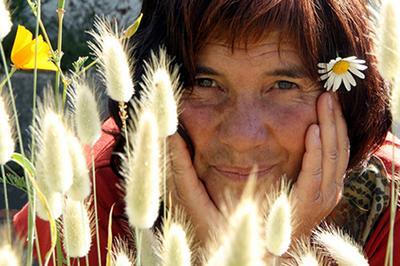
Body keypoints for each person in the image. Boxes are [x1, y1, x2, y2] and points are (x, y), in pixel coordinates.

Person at [14, 0, 400, 265]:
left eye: (284, 85)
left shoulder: (392, 209)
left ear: (345, 101)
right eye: (204, 82)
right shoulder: (75, 209)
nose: (242, 135)